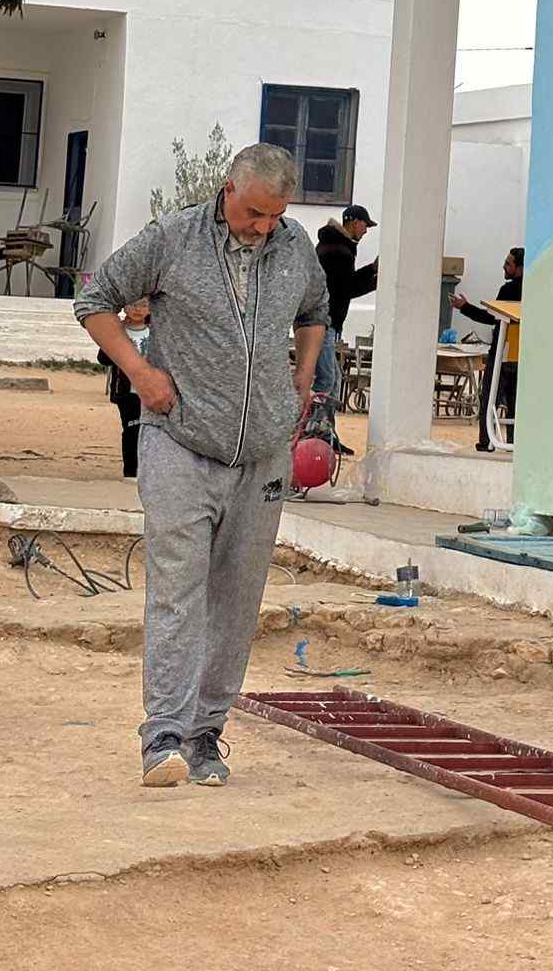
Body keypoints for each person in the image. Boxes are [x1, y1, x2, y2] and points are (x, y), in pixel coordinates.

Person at [74, 142, 329, 790]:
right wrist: (138, 371)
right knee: (180, 592)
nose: (263, 227)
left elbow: (316, 312)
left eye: (275, 216)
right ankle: (162, 739)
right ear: (228, 190)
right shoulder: (174, 238)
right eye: (253, 213)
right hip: (180, 440)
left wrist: (302, 378)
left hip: (264, 454)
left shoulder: (295, 246)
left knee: (237, 602)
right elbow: (96, 301)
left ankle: (205, 736)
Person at [313, 205, 378, 455]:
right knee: (327, 379)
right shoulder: (338, 251)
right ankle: (317, 429)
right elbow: (346, 289)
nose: (366, 230)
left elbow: (344, 284)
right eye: (365, 225)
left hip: (326, 323)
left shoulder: (336, 247)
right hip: (324, 323)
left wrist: (371, 272)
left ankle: (325, 431)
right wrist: (374, 280)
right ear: (353, 222)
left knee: (333, 377)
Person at [452, 245, 522, 453]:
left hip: (502, 353)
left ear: (519, 268)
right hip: (522, 355)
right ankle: (512, 443)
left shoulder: (508, 290)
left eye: (508, 264)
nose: (504, 267)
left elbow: (491, 317)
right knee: (515, 403)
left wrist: (464, 307)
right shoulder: (534, 288)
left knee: (489, 399)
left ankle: (486, 441)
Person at [96, 298, 151, 478]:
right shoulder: (118, 332)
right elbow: (103, 359)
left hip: (150, 390)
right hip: (126, 391)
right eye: (133, 305)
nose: (137, 309)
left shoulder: (156, 332)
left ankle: (148, 471)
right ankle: (131, 471)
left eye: (143, 305)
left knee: (150, 431)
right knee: (131, 429)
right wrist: (114, 334)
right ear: (124, 308)